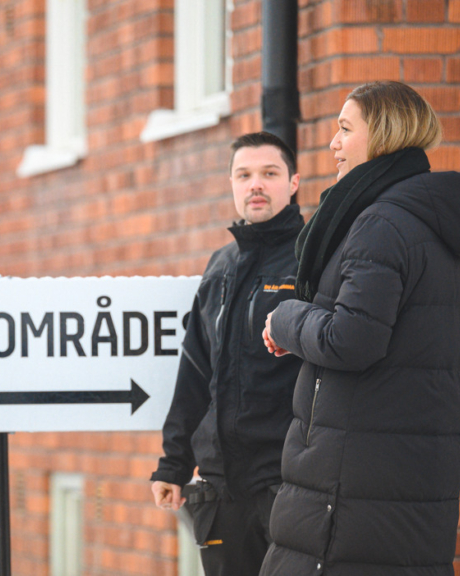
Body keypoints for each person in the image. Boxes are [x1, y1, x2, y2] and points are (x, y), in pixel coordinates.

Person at [259, 81, 460, 576]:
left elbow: (351, 340)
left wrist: (285, 317)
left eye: (346, 129)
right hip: (388, 481)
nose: (333, 143)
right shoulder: (419, 218)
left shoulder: (382, 223)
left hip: (351, 491)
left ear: (383, 135)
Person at [151, 132, 306, 576]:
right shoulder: (221, 264)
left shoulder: (311, 259)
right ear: (232, 183)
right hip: (221, 490)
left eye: (269, 174)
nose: (255, 184)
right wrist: (173, 464)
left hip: (289, 482)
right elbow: (195, 372)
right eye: (244, 175)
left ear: (293, 182)